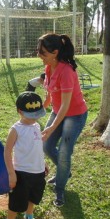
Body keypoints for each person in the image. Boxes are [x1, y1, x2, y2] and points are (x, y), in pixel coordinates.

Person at [37, 33, 88, 207]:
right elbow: (51, 91)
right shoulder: (48, 67)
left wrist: (51, 128)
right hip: (59, 111)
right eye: (39, 51)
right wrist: (43, 107)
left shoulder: (66, 71)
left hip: (75, 114)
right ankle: (65, 172)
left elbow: (66, 106)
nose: (39, 55)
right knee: (47, 145)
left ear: (55, 52)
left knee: (65, 152)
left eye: (43, 52)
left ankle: (60, 189)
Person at [2, 91, 48, 219]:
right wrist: (11, 173)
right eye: (32, 114)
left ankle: (29, 218)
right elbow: (7, 151)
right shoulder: (16, 129)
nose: (36, 117)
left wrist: (44, 162)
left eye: (38, 114)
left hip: (38, 171)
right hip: (21, 173)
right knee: (16, 201)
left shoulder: (36, 126)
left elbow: (37, 146)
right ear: (20, 112)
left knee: (33, 197)